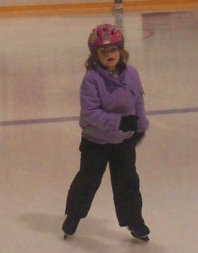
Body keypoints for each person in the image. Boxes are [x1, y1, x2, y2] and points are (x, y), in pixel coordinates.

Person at [62, 24, 150, 241]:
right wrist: (119, 122)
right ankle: (73, 215)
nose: (109, 55)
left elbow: (138, 100)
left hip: (123, 142)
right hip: (96, 142)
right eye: (103, 51)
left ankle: (134, 221)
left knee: (127, 182)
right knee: (88, 181)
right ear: (95, 55)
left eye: (113, 50)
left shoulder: (132, 74)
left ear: (120, 51)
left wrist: (140, 126)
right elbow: (90, 114)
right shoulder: (91, 79)